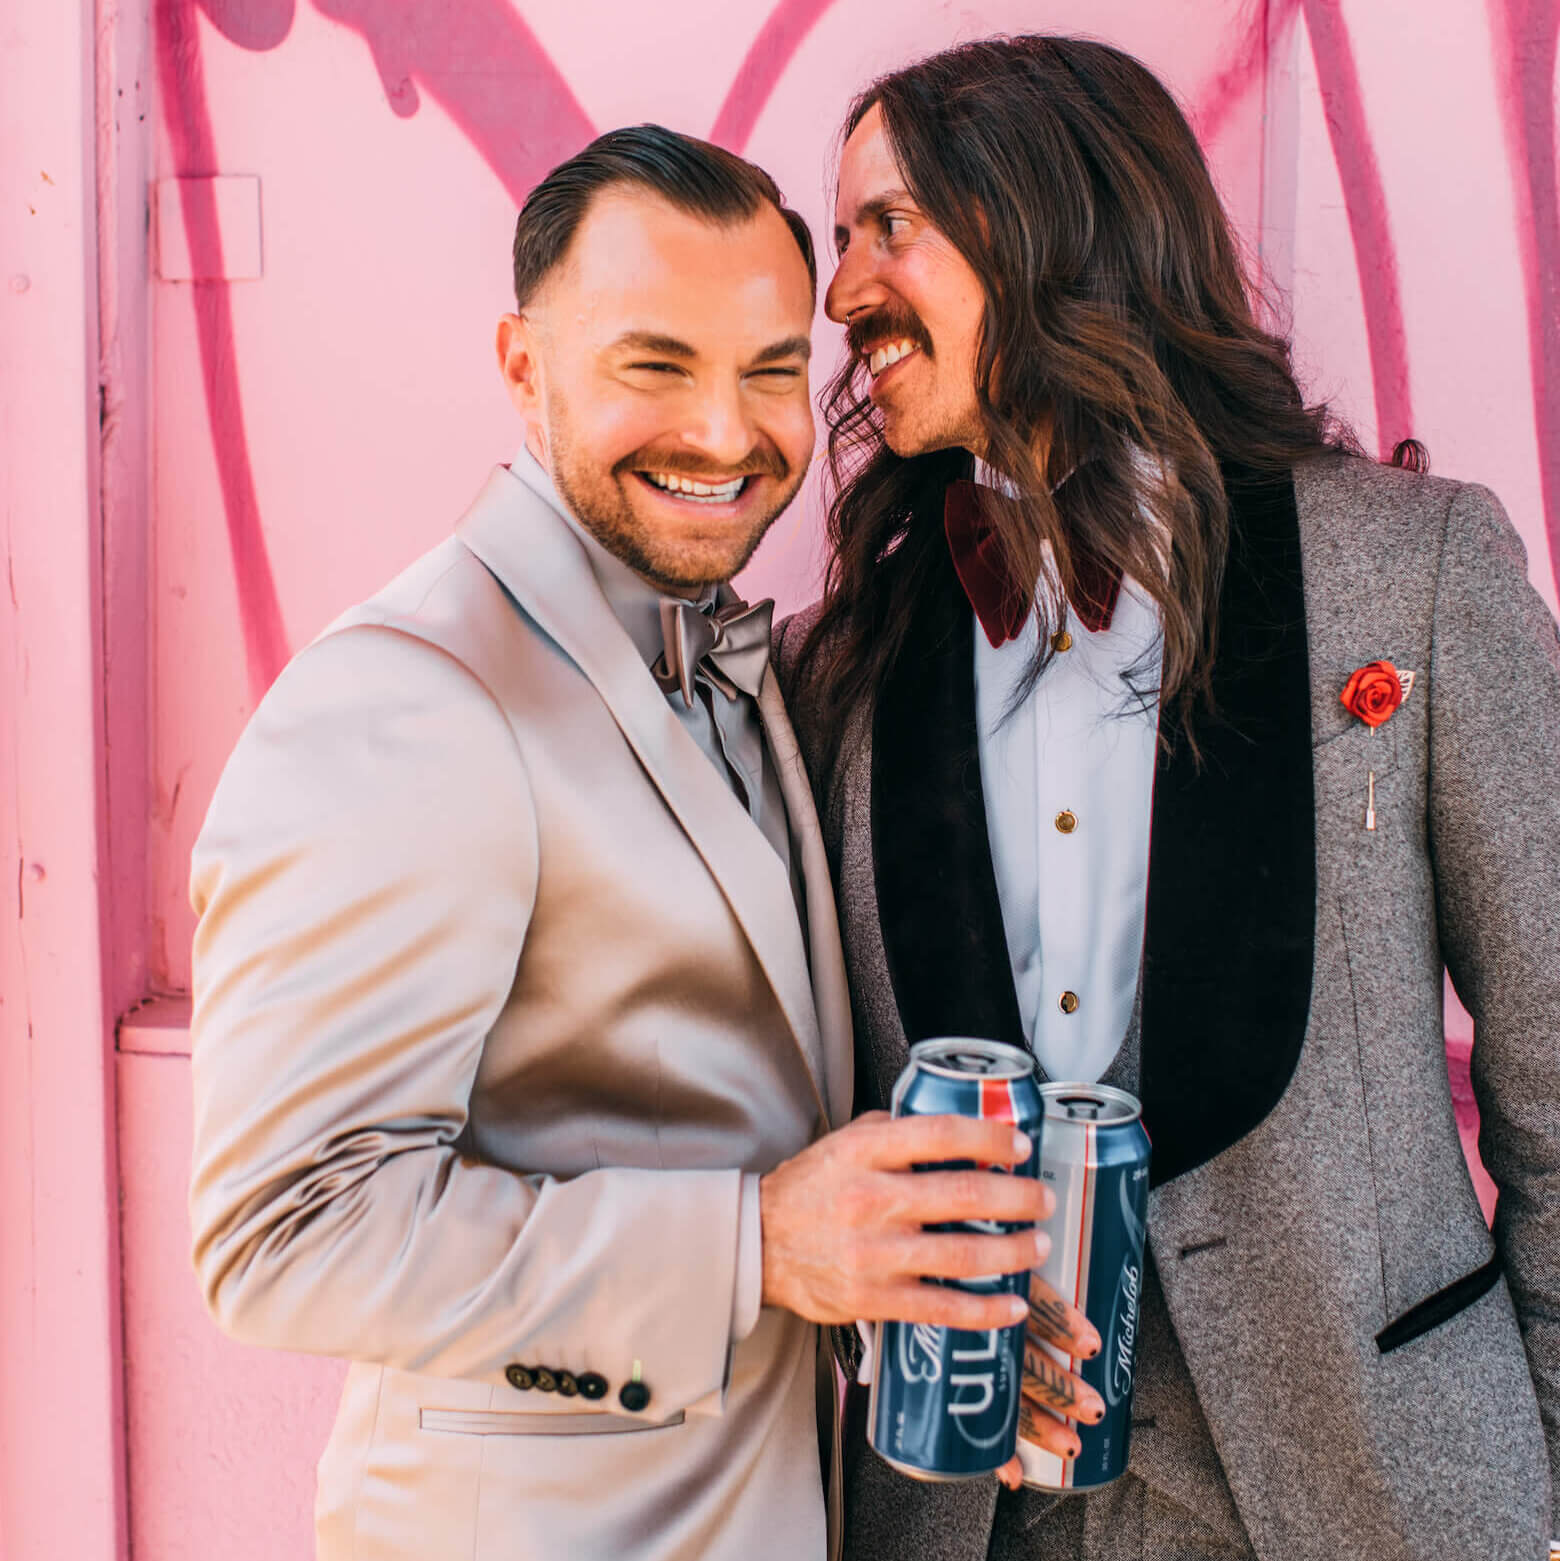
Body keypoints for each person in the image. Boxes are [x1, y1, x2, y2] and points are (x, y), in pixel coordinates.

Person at [186, 125, 1074, 1561]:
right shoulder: (408, 695)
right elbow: (282, 1234)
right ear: (525, 367)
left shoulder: (754, 666)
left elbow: (734, 1106)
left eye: (771, 369)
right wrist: (760, 1247)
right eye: (655, 365)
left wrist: (926, 1287)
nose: (727, 435)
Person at [776, 36, 1560, 1561]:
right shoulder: (836, 671)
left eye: (891, 225)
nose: (841, 293)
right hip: (963, 1515)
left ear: (1056, 217)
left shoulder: (1422, 576)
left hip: (1381, 1496)